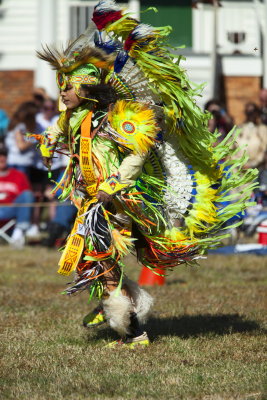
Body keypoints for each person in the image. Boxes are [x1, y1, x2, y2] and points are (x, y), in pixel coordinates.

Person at [33, 0, 256, 347]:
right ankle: (120, 308)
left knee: (98, 258)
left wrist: (114, 184)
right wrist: (46, 140)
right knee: (93, 261)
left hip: (118, 200)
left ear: (86, 90)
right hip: (93, 200)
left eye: (68, 86)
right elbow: (60, 132)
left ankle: (131, 328)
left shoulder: (115, 120)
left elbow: (137, 153)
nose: (61, 92)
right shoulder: (73, 117)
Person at [0, 144, 34, 247]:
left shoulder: (19, 175)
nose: (2, 158)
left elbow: (27, 197)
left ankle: (19, 233)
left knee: (27, 195)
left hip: (11, 209)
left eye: (4, 155)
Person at [236, 102, 267, 169]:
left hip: (256, 169)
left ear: (257, 113)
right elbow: (231, 147)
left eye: (252, 111)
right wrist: (238, 163)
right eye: (248, 112)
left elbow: (264, 149)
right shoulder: (239, 129)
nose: (250, 114)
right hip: (238, 169)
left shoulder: (262, 129)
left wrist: (252, 164)